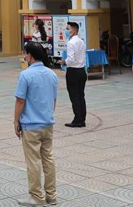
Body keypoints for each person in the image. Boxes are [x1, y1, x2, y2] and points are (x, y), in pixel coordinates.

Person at [14, 42, 58, 206]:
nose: (24, 57)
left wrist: (16, 121)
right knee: (48, 158)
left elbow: (20, 101)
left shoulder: (25, 75)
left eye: (25, 54)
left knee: (33, 161)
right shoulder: (51, 74)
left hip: (31, 125)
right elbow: (53, 100)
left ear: (30, 55)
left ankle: (36, 196)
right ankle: (52, 195)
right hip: (47, 124)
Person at [63, 21, 87, 128]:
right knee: (81, 95)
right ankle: (82, 118)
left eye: (68, 29)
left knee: (74, 96)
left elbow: (71, 59)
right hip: (82, 70)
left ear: (73, 30)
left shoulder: (71, 43)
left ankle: (78, 119)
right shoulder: (81, 41)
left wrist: (64, 62)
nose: (66, 31)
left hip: (73, 71)